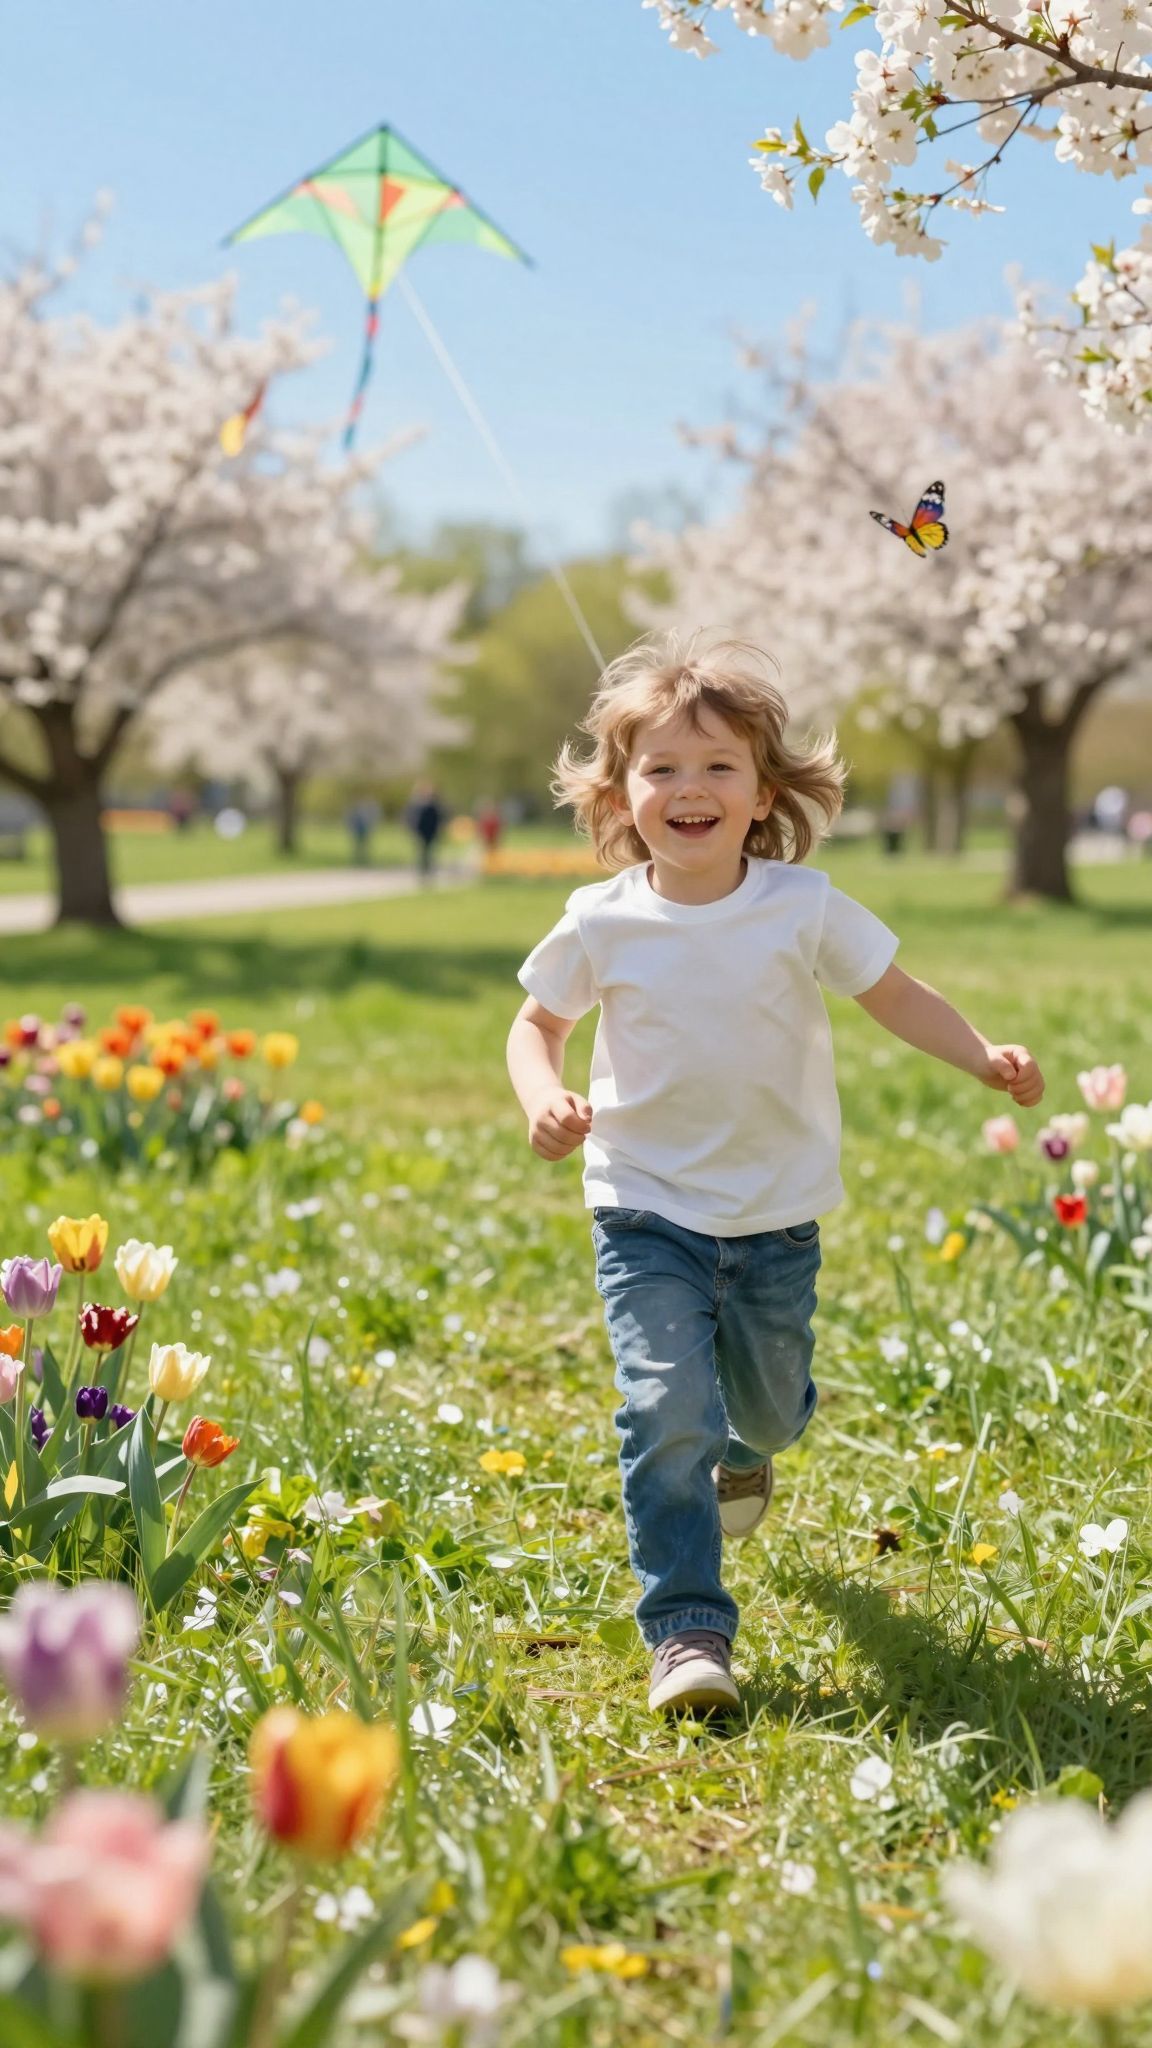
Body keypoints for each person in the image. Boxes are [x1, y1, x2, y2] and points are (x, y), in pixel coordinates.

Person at [505, 634, 1045, 1719]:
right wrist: (542, 1098)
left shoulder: (800, 905)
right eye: (662, 768)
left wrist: (981, 1051)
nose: (689, 789)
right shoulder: (600, 918)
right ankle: (688, 1629)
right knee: (662, 1405)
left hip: (775, 1215)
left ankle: (749, 1450)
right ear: (620, 793)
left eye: (718, 768)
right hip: (643, 1201)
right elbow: (537, 1022)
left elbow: (896, 993)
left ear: (763, 794)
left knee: (765, 1405)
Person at [405, 781, 446, 882]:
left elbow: (439, 818)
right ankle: (423, 871)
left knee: (430, 852)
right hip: (421, 832)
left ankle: (428, 871)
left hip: (431, 832)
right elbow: (411, 818)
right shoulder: (417, 804)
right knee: (422, 852)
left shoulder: (434, 804)